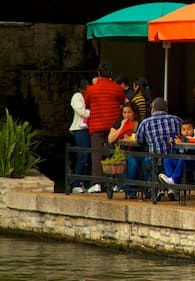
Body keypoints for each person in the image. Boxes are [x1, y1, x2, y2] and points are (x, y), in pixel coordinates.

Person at [85, 62, 127, 190]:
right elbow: (122, 100)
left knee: (97, 154)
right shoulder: (117, 88)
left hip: (96, 125)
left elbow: (87, 103)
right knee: (113, 153)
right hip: (112, 126)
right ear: (111, 74)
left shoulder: (91, 89)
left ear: (98, 73)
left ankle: (97, 183)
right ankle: (113, 182)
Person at [133, 98, 183, 199]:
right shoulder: (177, 120)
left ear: (153, 109)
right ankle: (167, 188)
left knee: (145, 162)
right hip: (173, 159)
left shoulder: (145, 122)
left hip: (154, 159)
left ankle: (154, 190)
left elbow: (139, 140)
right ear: (167, 109)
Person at [68, 78, 91, 193]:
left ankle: (85, 182)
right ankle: (76, 183)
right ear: (81, 89)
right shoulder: (77, 97)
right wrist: (93, 112)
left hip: (88, 129)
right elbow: (82, 112)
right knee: (82, 156)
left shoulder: (89, 97)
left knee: (88, 157)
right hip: (80, 129)